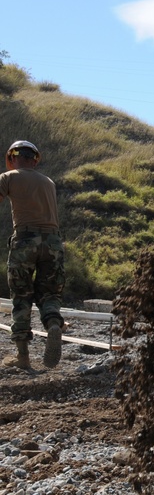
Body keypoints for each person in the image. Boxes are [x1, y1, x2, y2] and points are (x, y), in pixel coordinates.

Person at [1, 140, 64, 370]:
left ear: (12, 157)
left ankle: (23, 357)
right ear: (35, 159)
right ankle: (54, 324)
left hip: (25, 241)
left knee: (21, 296)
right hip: (53, 242)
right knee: (49, 293)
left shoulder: (9, 177)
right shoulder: (48, 182)